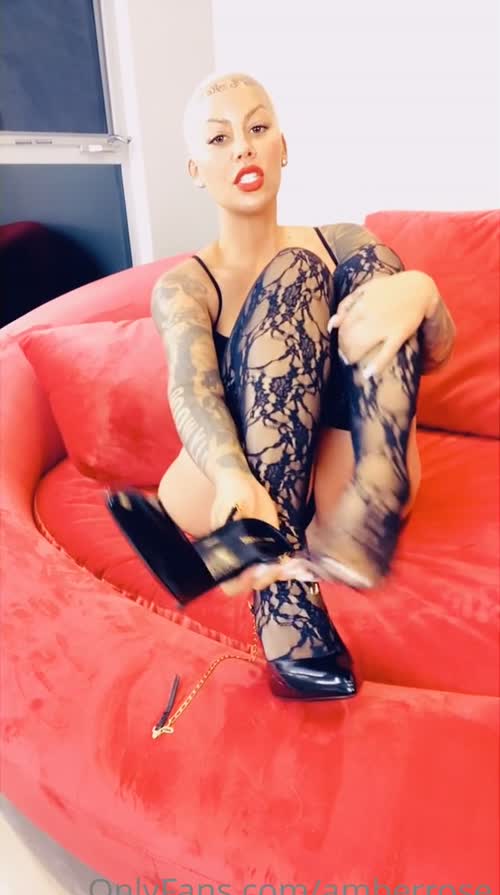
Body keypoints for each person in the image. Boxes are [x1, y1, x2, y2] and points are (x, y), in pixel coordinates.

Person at [150, 70, 456, 701]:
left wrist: (421, 293)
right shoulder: (185, 285)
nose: (243, 147)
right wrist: (231, 478)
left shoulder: (341, 243)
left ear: (282, 147)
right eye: (220, 138)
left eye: (258, 128)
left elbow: (434, 356)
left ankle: (378, 490)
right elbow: (192, 391)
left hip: (343, 491)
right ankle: (279, 594)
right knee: (297, 274)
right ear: (195, 170)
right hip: (231, 488)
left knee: (374, 264)